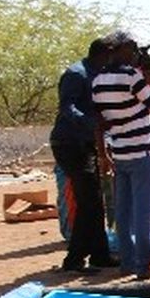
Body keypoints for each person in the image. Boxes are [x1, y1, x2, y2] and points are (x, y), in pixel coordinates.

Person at [91, 31, 150, 277]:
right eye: (132, 49)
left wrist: (103, 153)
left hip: (121, 152)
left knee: (123, 211)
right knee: (145, 211)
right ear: (122, 50)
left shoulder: (98, 80)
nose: (135, 54)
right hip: (143, 151)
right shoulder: (131, 76)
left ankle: (128, 263)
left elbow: (100, 122)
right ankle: (145, 266)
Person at [50, 38, 119, 272]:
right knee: (89, 202)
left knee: (94, 201)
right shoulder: (76, 74)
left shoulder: (95, 73)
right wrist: (90, 124)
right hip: (70, 143)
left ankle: (99, 255)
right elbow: (66, 107)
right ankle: (74, 260)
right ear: (105, 55)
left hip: (85, 143)